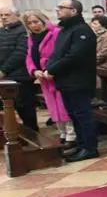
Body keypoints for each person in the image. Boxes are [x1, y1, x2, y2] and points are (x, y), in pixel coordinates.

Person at [42, 0, 99, 162]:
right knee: (74, 115)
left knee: (83, 115)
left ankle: (90, 148)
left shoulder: (82, 30)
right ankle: (81, 146)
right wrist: (49, 67)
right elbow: (57, 53)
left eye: (61, 7)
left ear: (74, 11)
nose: (57, 10)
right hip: (66, 80)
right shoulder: (66, 29)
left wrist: (52, 70)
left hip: (78, 80)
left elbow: (75, 56)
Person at [22, 11, 75, 145]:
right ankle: (62, 132)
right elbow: (29, 56)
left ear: (43, 20)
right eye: (29, 23)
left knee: (63, 106)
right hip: (43, 77)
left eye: (36, 22)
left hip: (57, 74)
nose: (33, 25)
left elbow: (61, 54)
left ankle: (71, 134)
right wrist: (34, 70)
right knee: (52, 106)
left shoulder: (56, 33)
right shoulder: (31, 38)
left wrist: (50, 69)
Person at [0, 6, 38, 132]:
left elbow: (20, 53)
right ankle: (15, 134)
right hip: (5, 76)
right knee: (9, 108)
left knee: (25, 108)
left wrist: (3, 70)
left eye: (7, 14)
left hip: (21, 75)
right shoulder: (2, 31)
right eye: (1, 15)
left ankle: (32, 134)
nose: (4, 17)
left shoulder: (23, 30)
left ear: (16, 15)